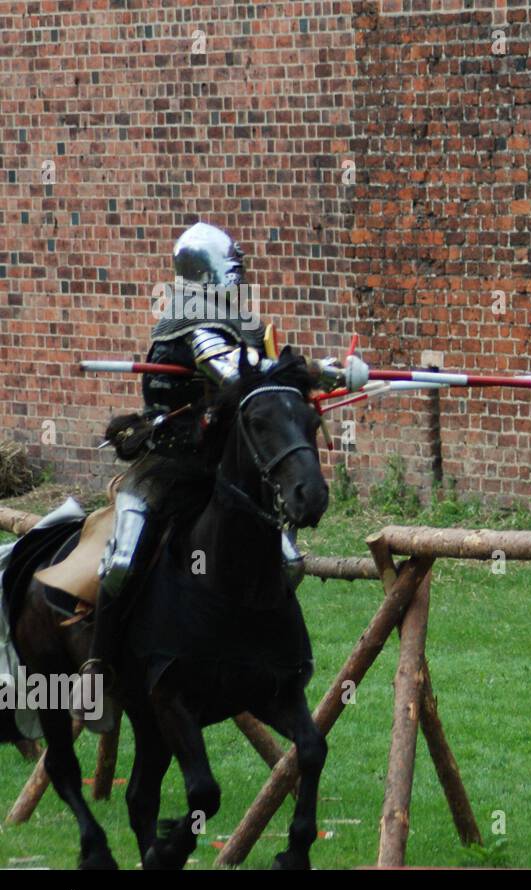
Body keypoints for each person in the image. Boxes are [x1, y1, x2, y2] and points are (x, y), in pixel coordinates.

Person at [74, 222, 366, 730]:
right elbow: (241, 375)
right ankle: (98, 669)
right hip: (166, 460)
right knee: (122, 559)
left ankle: (271, 656)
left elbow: (271, 369)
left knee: (286, 557)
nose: (239, 277)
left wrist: (335, 371)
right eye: (231, 268)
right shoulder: (189, 326)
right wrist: (320, 371)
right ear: (203, 274)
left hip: (217, 463)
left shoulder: (241, 324)